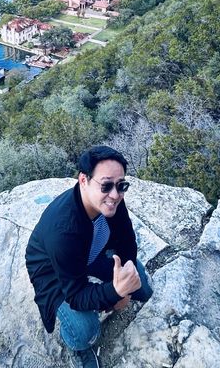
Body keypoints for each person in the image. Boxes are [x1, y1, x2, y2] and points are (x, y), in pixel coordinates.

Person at [25, 145, 153, 368]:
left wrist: (126, 274)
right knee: (85, 329)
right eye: (106, 185)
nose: (115, 194)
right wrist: (116, 292)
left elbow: (126, 240)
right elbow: (76, 296)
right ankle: (78, 347)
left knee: (141, 285)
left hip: (90, 254)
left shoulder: (111, 201)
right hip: (54, 272)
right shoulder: (63, 231)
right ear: (83, 180)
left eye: (121, 185)